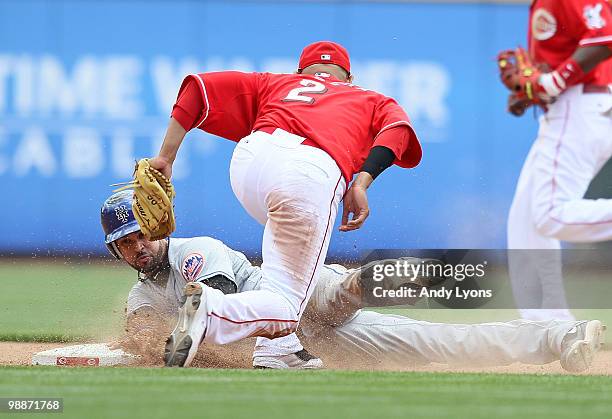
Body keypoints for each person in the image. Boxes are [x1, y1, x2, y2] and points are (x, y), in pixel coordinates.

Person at [102, 191, 605, 373]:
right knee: (438, 343)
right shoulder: (140, 294)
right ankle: (558, 338)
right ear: (116, 251)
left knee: (358, 285)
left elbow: (226, 319)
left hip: (295, 294)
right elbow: (149, 346)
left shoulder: (196, 251)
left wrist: (175, 350)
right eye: (125, 243)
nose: (137, 246)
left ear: (158, 224)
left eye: (141, 233)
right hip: (311, 341)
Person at [144, 41, 423, 367]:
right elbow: (398, 131)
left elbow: (196, 89)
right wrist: (362, 181)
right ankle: (211, 311)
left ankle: (279, 351)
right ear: (349, 77)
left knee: (284, 271)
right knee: (286, 308)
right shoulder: (369, 97)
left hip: (250, 162)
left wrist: (165, 156)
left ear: (300, 72)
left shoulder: (276, 82)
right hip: (308, 172)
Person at [505, 0, 612, 320]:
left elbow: (604, 38)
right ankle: (550, 326)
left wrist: (553, 82)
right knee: (524, 220)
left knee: (549, 215)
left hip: (578, 109)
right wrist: (532, 92)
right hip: (571, 108)